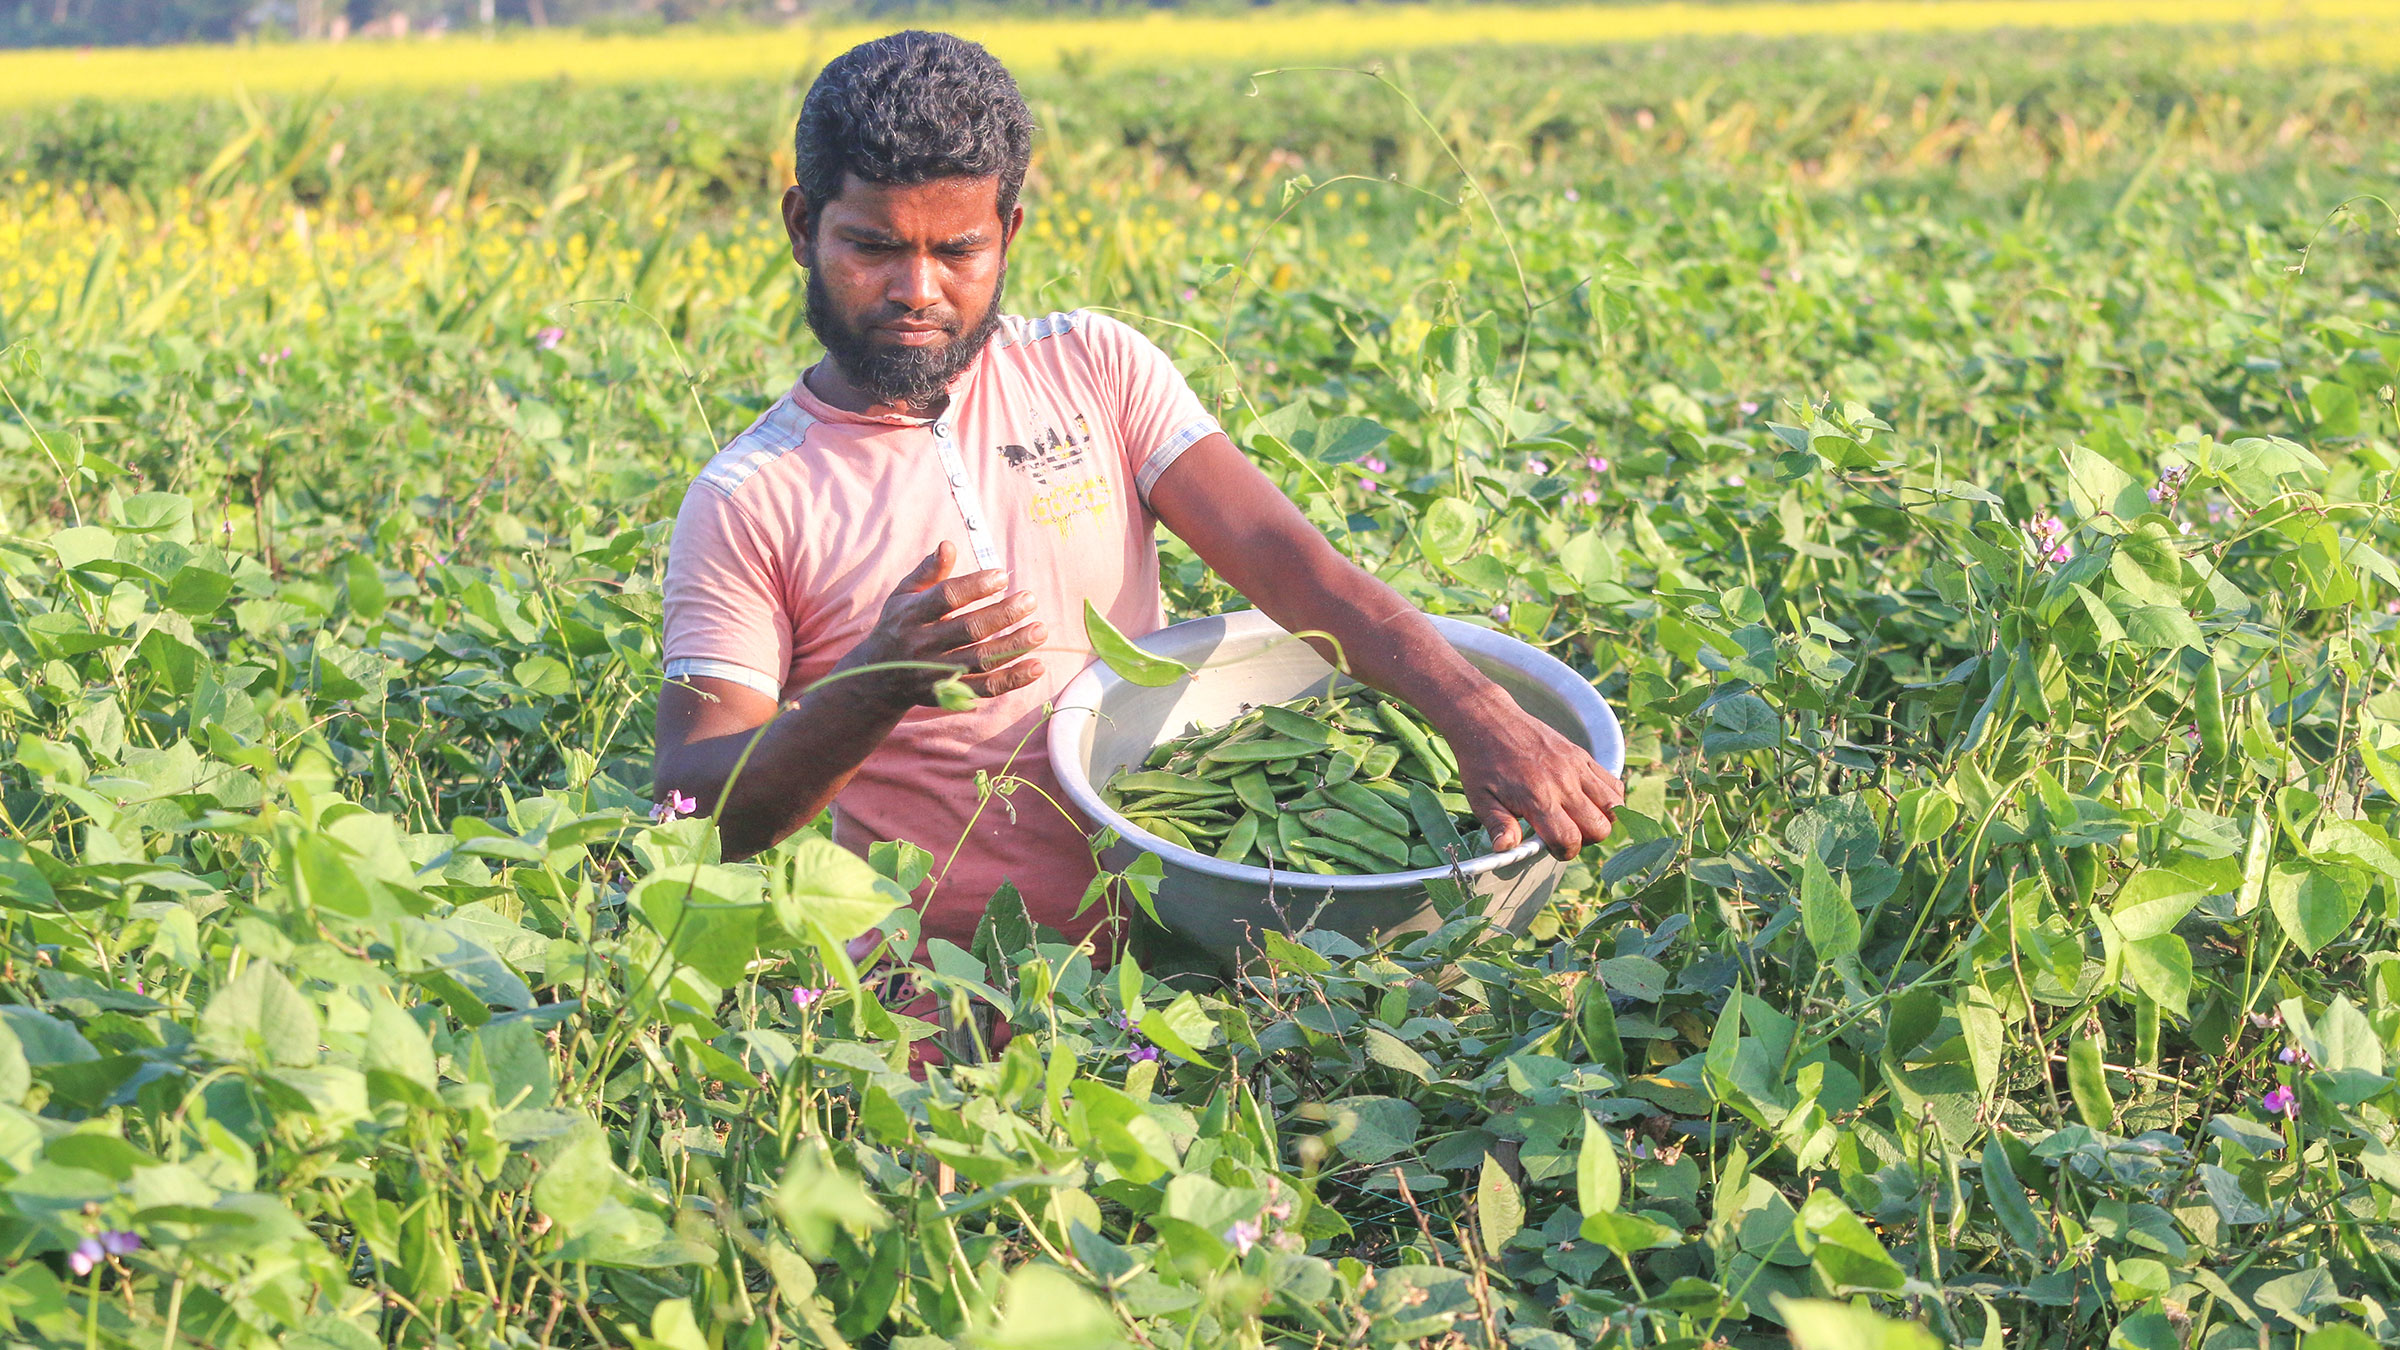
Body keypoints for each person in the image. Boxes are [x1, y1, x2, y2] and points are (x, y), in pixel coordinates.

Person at [653, 30, 1623, 960]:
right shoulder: (750, 498)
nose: (917, 289)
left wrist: (1477, 711)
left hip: (1178, 952)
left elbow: (1293, 568)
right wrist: (877, 680)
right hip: (931, 995)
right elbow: (693, 810)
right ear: (802, 228)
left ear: (1009, 233)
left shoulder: (1096, 368)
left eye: (958, 251)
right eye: (872, 247)